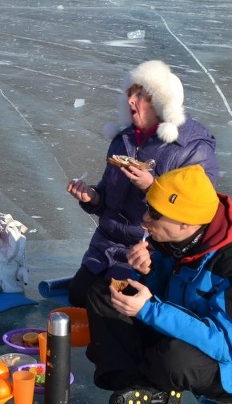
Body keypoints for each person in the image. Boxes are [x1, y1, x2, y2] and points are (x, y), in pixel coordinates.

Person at [83, 164, 232, 404]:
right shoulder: (176, 241)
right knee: (109, 291)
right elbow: (169, 296)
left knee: (175, 357)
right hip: (188, 330)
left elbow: (225, 345)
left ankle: (152, 388)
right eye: (148, 208)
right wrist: (148, 271)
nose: (145, 219)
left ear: (185, 221)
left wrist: (148, 309)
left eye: (155, 214)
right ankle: (135, 385)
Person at [66, 59, 219, 326]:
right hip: (107, 245)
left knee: (108, 306)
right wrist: (93, 198)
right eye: (130, 94)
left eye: (141, 96)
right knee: (80, 295)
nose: (131, 101)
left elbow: (197, 213)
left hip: (150, 251)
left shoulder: (193, 148)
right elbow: (106, 197)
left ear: (163, 102)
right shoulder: (122, 141)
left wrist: (152, 187)